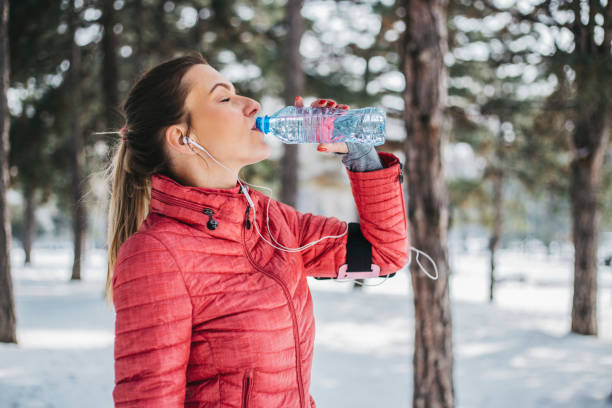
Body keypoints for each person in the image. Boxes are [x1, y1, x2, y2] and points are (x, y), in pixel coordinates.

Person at [105, 52, 410, 408]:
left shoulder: (272, 223)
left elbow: (383, 253)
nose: (251, 104)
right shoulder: (157, 254)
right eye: (224, 98)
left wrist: (361, 156)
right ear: (181, 138)